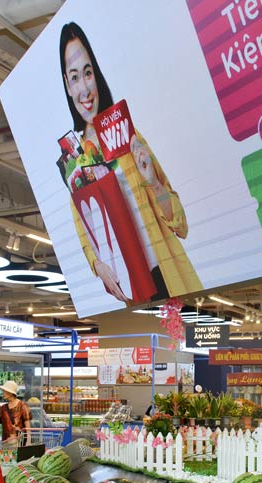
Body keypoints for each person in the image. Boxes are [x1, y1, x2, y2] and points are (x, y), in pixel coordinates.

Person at [59, 21, 203, 302]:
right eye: (74, 77)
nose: (84, 89)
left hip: (169, 273)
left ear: (96, 74)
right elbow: (87, 237)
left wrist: (152, 182)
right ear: (67, 84)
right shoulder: (75, 163)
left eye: (88, 72)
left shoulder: (127, 135)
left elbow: (180, 224)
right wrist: (98, 267)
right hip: (130, 287)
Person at [0, 380, 30, 445]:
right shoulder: (3, 408)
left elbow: (28, 427)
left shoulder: (22, 406)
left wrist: (28, 441)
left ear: (10, 392)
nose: (2, 393)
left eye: (4, 391)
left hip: (19, 442)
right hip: (6, 443)